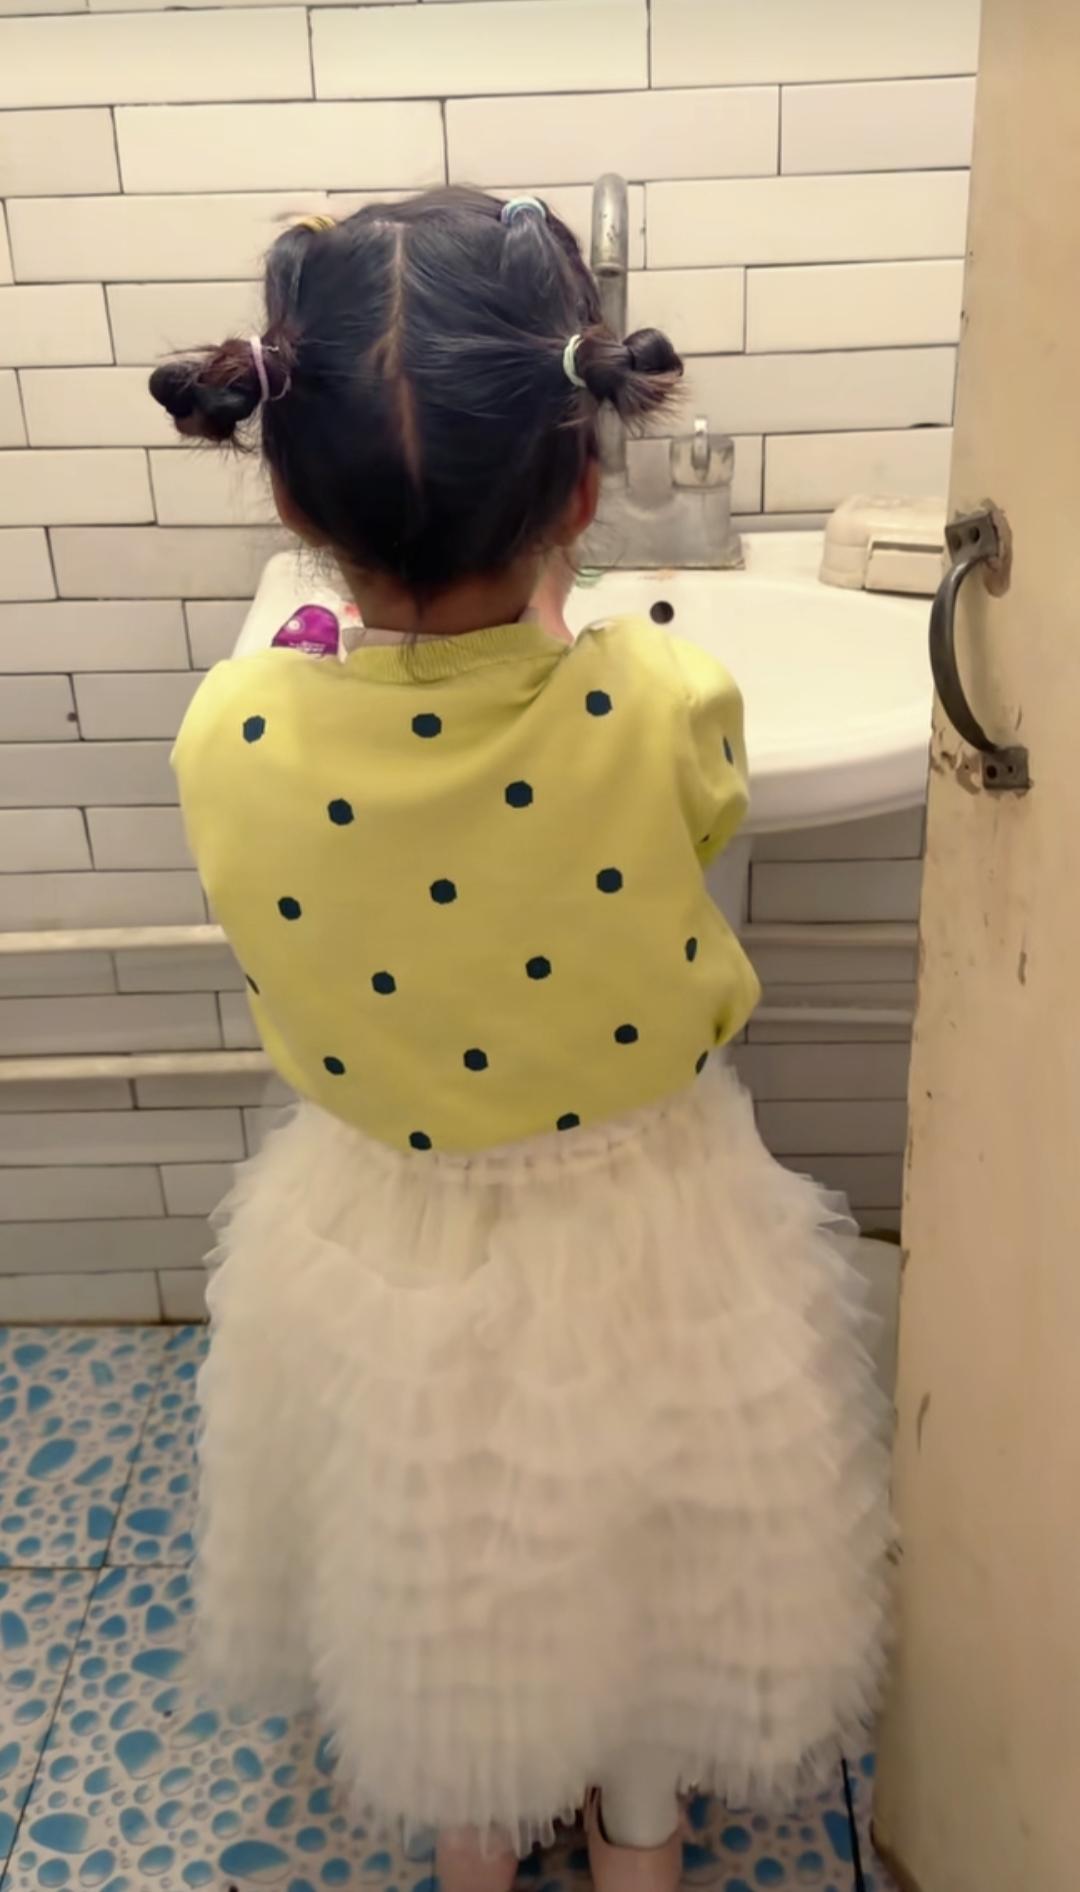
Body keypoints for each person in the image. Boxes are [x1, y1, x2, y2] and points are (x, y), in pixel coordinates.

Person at [153, 189, 888, 1892]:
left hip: (383, 1221)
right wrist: (560, 654)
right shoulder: (662, 694)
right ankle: (640, 1837)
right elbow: (670, 815)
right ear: (582, 487)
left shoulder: (233, 727)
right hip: (650, 1209)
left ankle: (474, 1834)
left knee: (436, 1546)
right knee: (651, 1540)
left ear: (288, 492)